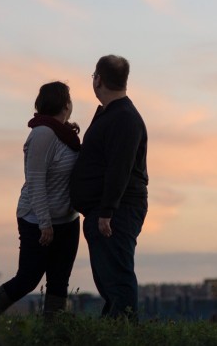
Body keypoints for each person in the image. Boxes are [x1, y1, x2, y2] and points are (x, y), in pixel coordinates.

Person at [0, 81, 81, 322]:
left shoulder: (66, 135)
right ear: (65, 104)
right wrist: (45, 223)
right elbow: (35, 181)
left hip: (68, 221)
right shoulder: (43, 133)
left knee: (59, 282)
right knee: (27, 279)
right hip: (38, 221)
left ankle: (52, 334)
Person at [70, 54, 148, 319]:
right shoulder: (112, 114)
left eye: (94, 75)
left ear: (98, 80)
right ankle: (114, 329)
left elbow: (120, 167)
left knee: (117, 279)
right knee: (108, 280)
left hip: (116, 212)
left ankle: (124, 330)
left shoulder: (124, 117)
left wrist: (107, 211)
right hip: (106, 210)